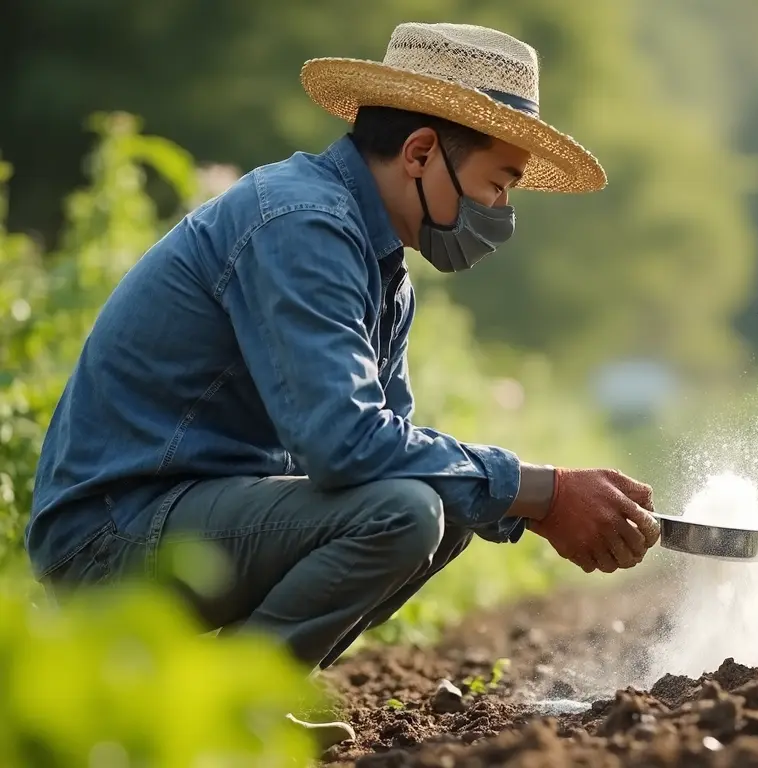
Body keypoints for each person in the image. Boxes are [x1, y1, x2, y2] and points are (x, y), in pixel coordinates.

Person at [25, 21, 660, 746]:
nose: (501, 217)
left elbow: (400, 448)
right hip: (111, 538)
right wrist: (542, 490)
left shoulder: (381, 267)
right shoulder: (301, 223)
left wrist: (529, 499)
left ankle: (212, 689)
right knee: (408, 512)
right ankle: (214, 712)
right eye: (497, 185)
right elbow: (349, 447)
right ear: (422, 152)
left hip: (191, 521)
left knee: (449, 504)